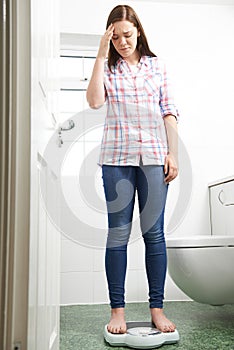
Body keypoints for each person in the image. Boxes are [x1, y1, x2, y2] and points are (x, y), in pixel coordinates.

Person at [86, 4, 179, 335]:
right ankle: (117, 311)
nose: (123, 42)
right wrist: (99, 55)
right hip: (116, 159)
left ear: (138, 31)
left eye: (127, 34)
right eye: (116, 37)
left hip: (154, 158)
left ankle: (157, 308)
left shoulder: (157, 67)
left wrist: (173, 154)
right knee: (118, 234)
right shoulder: (108, 69)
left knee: (154, 233)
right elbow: (95, 102)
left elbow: (169, 110)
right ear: (109, 37)